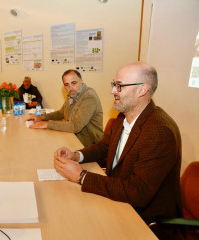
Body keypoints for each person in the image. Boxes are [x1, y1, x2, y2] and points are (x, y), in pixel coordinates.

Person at [54, 62, 182, 239]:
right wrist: (77, 155)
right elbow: (105, 146)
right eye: (114, 84)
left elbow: (138, 193)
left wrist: (81, 176)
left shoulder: (159, 131)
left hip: (144, 219)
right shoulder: (124, 115)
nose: (112, 91)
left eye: (119, 86)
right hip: (119, 198)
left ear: (141, 90)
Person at [26, 69, 103, 147]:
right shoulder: (72, 94)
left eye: (74, 83)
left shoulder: (89, 97)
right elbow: (62, 113)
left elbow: (75, 126)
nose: (70, 88)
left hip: (89, 145)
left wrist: (47, 124)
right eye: (66, 85)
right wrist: (41, 117)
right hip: (72, 137)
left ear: (81, 81)